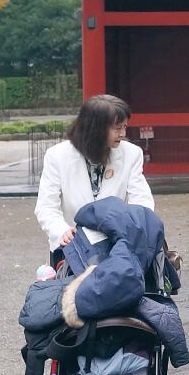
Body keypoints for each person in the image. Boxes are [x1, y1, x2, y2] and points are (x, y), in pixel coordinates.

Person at [35, 94, 154, 259]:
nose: (123, 133)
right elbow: (46, 206)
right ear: (96, 128)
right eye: (117, 128)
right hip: (71, 245)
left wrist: (134, 228)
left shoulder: (131, 154)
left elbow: (141, 200)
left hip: (117, 246)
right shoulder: (57, 156)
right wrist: (61, 231)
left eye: (125, 127)